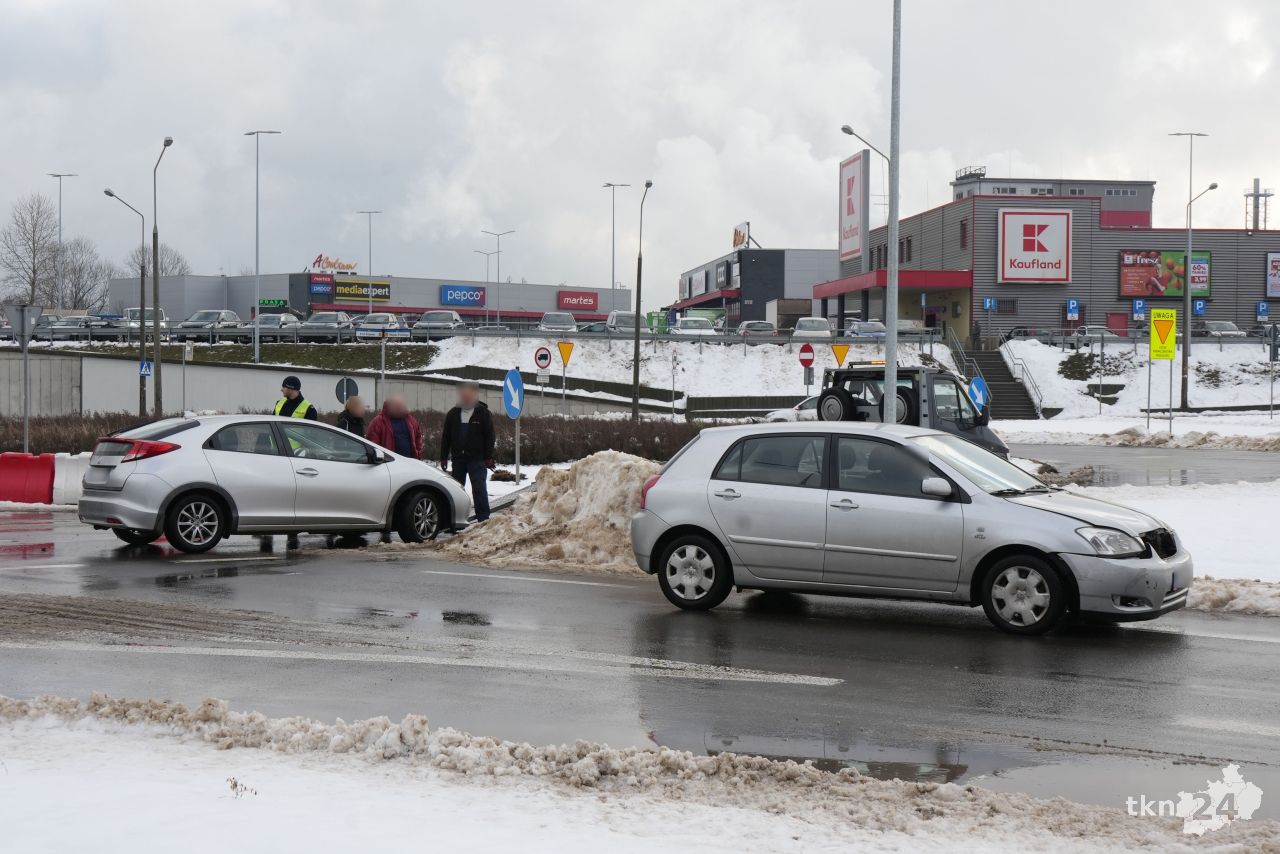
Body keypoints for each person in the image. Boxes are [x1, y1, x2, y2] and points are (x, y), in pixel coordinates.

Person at [439, 381, 496, 522]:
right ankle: (453, 520)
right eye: (464, 396)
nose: (466, 399)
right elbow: (446, 437)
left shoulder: (483, 413)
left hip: (477, 459)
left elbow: (490, 436)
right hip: (458, 459)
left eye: (468, 396)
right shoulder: (453, 414)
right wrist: (444, 457)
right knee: (456, 491)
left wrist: (488, 457)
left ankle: (483, 519)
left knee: (479, 490)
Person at [367, 394, 424, 459]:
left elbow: (418, 437)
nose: (398, 408)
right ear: (389, 406)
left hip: (410, 462)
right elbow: (372, 443)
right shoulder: (378, 421)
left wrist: (418, 454)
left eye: (400, 405)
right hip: (388, 463)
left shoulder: (411, 420)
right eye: (396, 405)